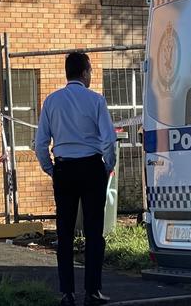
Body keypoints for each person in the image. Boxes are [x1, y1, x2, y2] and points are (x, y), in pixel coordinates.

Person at [34, 52, 117, 306]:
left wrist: (51, 169)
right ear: (84, 72)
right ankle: (93, 291)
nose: (91, 75)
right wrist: (107, 166)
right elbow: (109, 140)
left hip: (64, 169)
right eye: (90, 71)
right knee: (94, 232)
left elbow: (40, 144)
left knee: (65, 231)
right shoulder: (96, 100)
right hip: (91, 168)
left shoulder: (51, 101)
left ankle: (67, 293)